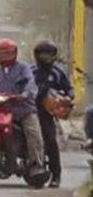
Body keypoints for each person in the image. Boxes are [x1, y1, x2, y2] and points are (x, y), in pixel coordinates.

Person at [0, 39, 49, 181]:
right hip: (4, 111)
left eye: (7, 54)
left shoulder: (24, 69)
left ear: (15, 54)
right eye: (0, 55)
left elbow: (30, 83)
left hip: (24, 110)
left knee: (33, 134)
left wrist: (25, 94)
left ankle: (37, 165)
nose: (3, 58)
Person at [32, 40, 74, 188]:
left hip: (47, 113)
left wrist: (66, 98)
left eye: (48, 54)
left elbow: (69, 89)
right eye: (42, 54)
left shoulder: (58, 72)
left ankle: (56, 174)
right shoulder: (31, 72)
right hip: (29, 110)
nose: (45, 57)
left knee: (50, 139)